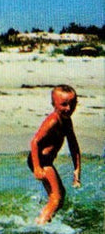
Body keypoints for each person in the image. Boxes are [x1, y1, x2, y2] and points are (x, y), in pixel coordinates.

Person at [26, 84, 83, 223]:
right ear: (54, 104)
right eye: (64, 104)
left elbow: (73, 146)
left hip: (46, 161)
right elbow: (35, 142)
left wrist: (77, 170)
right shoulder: (52, 121)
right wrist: (37, 167)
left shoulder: (67, 121)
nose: (69, 108)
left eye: (72, 104)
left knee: (59, 195)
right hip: (41, 160)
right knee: (56, 198)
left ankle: (44, 218)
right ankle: (40, 224)